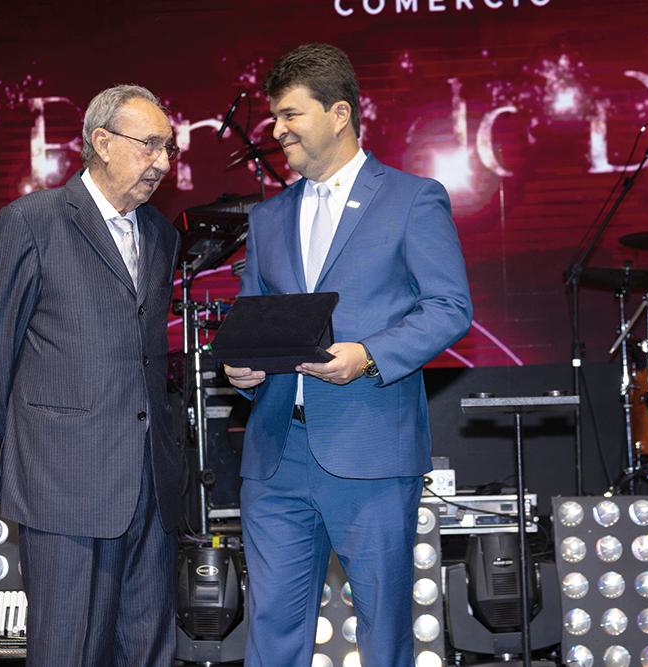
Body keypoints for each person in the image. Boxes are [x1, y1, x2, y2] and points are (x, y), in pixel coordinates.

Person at [224, 44, 473, 666]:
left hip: (371, 446)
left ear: (339, 113)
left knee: (381, 631)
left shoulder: (414, 198)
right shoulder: (267, 218)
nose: (276, 131)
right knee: (273, 630)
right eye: (274, 117)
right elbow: (253, 316)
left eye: (289, 115)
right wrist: (243, 368)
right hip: (276, 452)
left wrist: (368, 354)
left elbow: (449, 308)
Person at [0, 84, 181, 666]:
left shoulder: (162, 235)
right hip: (63, 481)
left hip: (150, 483)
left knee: (147, 647)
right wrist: (38, 443)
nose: (163, 163)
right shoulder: (32, 222)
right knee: (67, 648)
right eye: (151, 146)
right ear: (102, 143)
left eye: (169, 149)